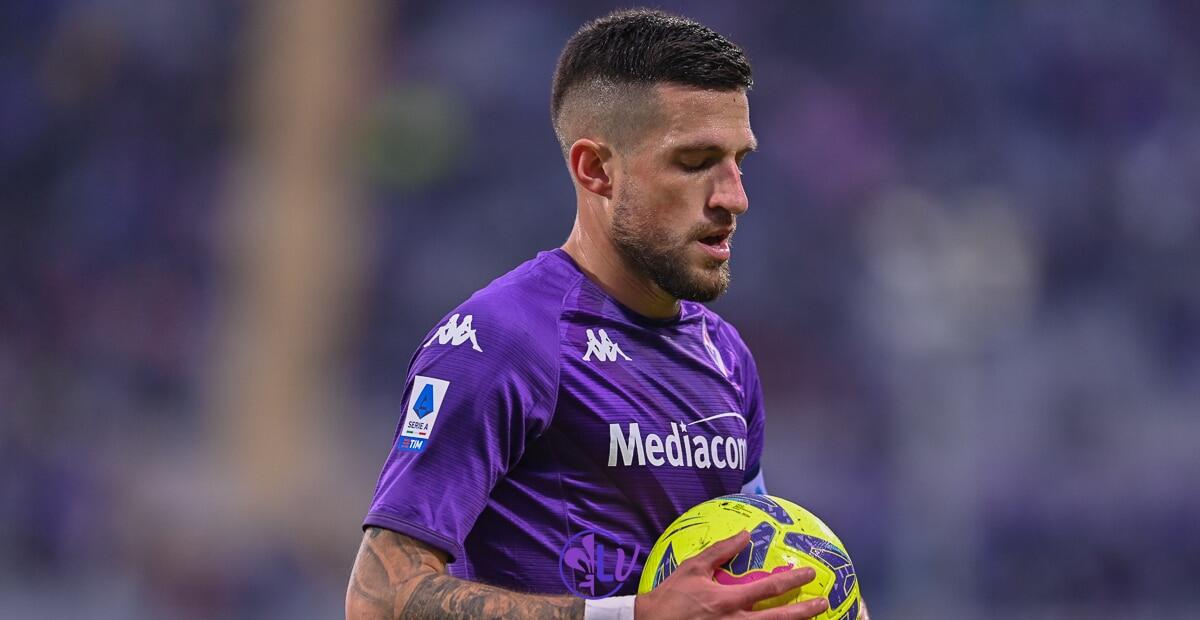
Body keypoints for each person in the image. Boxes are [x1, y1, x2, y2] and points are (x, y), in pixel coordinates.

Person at [347, 9, 857, 619]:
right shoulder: (502, 340)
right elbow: (378, 597)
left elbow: (742, 562)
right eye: (695, 163)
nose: (734, 198)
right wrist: (630, 616)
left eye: (737, 160)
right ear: (595, 170)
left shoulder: (724, 356)